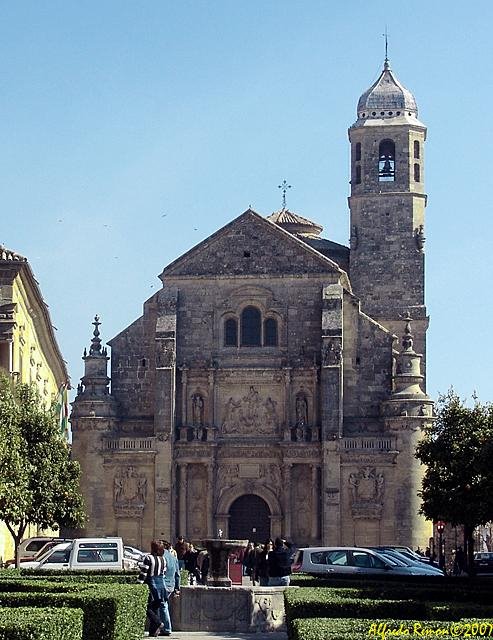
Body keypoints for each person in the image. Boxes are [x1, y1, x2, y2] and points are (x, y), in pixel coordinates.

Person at [138, 540, 169, 637]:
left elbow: (144, 573)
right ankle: (153, 631)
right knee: (155, 608)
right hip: (161, 585)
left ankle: (158, 622)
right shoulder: (163, 559)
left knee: (147, 607)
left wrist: (139, 584)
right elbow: (163, 573)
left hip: (152, 584)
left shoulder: (148, 558)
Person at [162, 540, 181, 635]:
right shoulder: (174, 558)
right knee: (162, 605)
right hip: (171, 586)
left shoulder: (161, 557)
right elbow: (177, 575)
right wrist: (177, 588)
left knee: (162, 605)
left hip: (163, 585)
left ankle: (166, 628)